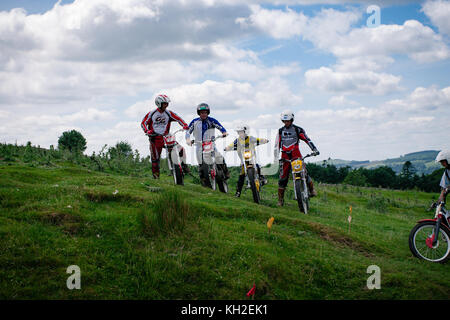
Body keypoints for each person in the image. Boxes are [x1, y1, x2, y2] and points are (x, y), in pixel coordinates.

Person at [274, 110, 320, 206]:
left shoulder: (298, 129)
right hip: (284, 156)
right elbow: (277, 144)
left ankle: (312, 190)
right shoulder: (280, 131)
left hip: (296, 155)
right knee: (283, 178)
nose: (286, 123)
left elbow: (307, 139)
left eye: (288, 121)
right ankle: (280, 200)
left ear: (292, 120)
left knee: (304, 173)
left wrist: (314, 149)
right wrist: (275, 156)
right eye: (284, 121)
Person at [141, 94, 189, 179]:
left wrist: (184, 125)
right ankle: (156, 177)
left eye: (167, 103)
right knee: (155, 158)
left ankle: (184, 165)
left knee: (181, 149)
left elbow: (178, 118)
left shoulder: (168, 113)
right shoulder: (152, 113)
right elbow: (143, 123)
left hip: (166, 136)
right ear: (159, 103)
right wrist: (147, 131)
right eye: (164, 103)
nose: (166, 105)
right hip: (155, 137)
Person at [185, 103, 230, 186]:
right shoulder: (195, 122)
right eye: (202, 112)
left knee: (219, 157)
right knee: (201, 164)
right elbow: (188, 131)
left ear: (208, 113)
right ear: (199, 113)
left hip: (210, 143)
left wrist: (224, 132)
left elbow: (220, 127)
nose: (204, 114)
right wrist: (188, 139)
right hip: (199, 145)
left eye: (205, 112)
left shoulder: (212, 120)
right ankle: (204, 181)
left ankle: (226, 172)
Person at [224, 124, 269, 197]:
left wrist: (264, 140)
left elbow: (258, 139)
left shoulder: (250, 138)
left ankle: (262, 177)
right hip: (243, 160)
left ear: (246, 132)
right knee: (241, 176)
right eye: (239, 132)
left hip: (251, 158)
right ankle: (238, 192)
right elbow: (232, 144)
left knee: (257, 165)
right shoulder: (238, 140)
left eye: (241, 132)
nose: (240, 134)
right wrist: (227, 148)